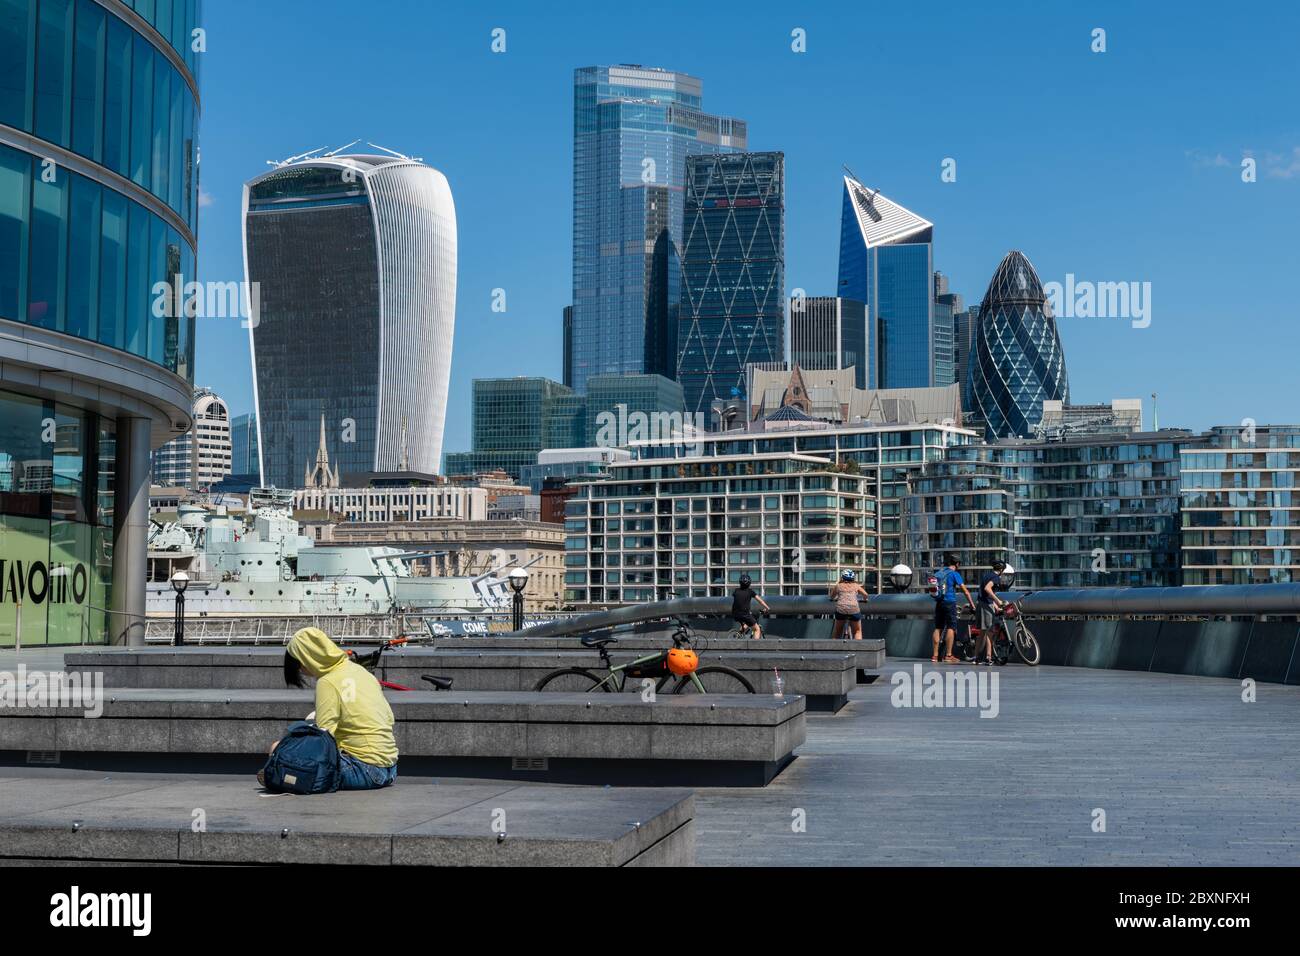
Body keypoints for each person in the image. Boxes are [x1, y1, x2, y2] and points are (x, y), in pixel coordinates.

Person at [258, 627, 399, 791]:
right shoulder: (362, 672)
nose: (301, 670)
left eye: (299, 664)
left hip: (362, 770)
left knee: (278, 749)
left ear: (307, 658)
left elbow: (323, 738)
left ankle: (278, 776)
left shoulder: (328, 681)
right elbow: (388, 717)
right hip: (390, 769)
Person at [931, 553, 975, 664]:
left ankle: (935, 656)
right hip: (950, 602)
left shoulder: (939, 573)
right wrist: (972, 604)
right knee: (951, 627)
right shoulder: (955, 574)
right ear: (957, 563)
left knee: (938, 628)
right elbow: (965, 590)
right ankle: (948, 655)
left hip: (939, 602)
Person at [973, 560, 1008, 665]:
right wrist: (998, 601)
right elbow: (987, 589)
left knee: (982, 633)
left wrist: (995, 606)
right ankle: (988, 658)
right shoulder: (996, 578)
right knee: (990, 632)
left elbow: (984, 593)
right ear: (1001, 570)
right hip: (986, 606)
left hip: (981, 604)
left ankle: (976, 657)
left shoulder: (986, 575)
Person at [828, 569, 870, 640]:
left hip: (841, 610)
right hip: (854, 610)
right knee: (857, 631)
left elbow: (832, 596)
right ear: (853, 578)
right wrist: (865, 599)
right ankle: (858, 648)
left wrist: (833, 599)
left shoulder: (838, 586)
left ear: (842, 577)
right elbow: (866, 594)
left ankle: (834, 648)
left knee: (837, 631)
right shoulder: (856, 585)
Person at [731, 574, 770, 639]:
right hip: (745, 614)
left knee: (748, 620)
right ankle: (754, 646)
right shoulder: (750, 592)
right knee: (757, 629)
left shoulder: (736, 591)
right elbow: (760, 601)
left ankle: (738, 634)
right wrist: (767, 607)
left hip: (735, 613)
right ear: (749, 583)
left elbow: (739, 600)